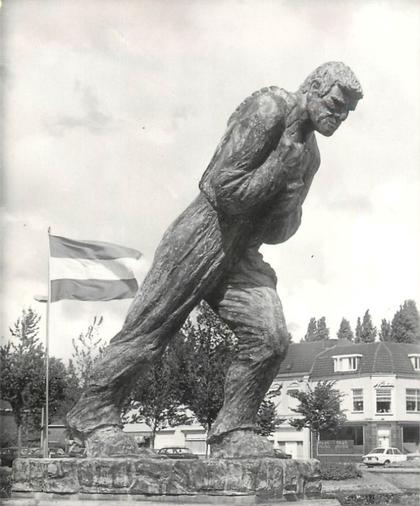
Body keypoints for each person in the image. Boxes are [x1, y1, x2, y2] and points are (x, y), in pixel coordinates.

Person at [67, 61, 362, 457]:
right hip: (204, 233)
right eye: (336, 103)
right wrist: (278, 170)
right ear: (313, 85)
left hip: (241, 252)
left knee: (270, 338)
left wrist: (289, 208)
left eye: (347, 112)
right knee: (149, 333)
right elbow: (220, 188)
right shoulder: (270, 108)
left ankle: (233, 430)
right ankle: (92, 418)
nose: (339, 116)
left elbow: (278, 233)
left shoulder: (311, 157)